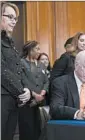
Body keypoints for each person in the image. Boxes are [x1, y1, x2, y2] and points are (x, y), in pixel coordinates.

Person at [1, 2, 31, 140]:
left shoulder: (10, 42)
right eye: (10, 17)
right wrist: (21, 92)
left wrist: (26, 90)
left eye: (15, 18)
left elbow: (18, 70)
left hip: (12, 100)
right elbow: (2, 72)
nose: (14, 21)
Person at [19, 41, 49, 140]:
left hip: (40, 103)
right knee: (27, 130)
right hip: (27, 103)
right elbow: (22, 80)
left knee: (39, 129)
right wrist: (34, 94)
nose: (39, 51)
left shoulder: (41, 65)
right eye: (37, 49)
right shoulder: (21, 63)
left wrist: (43, 92)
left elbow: (46, 81)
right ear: (30, 50)